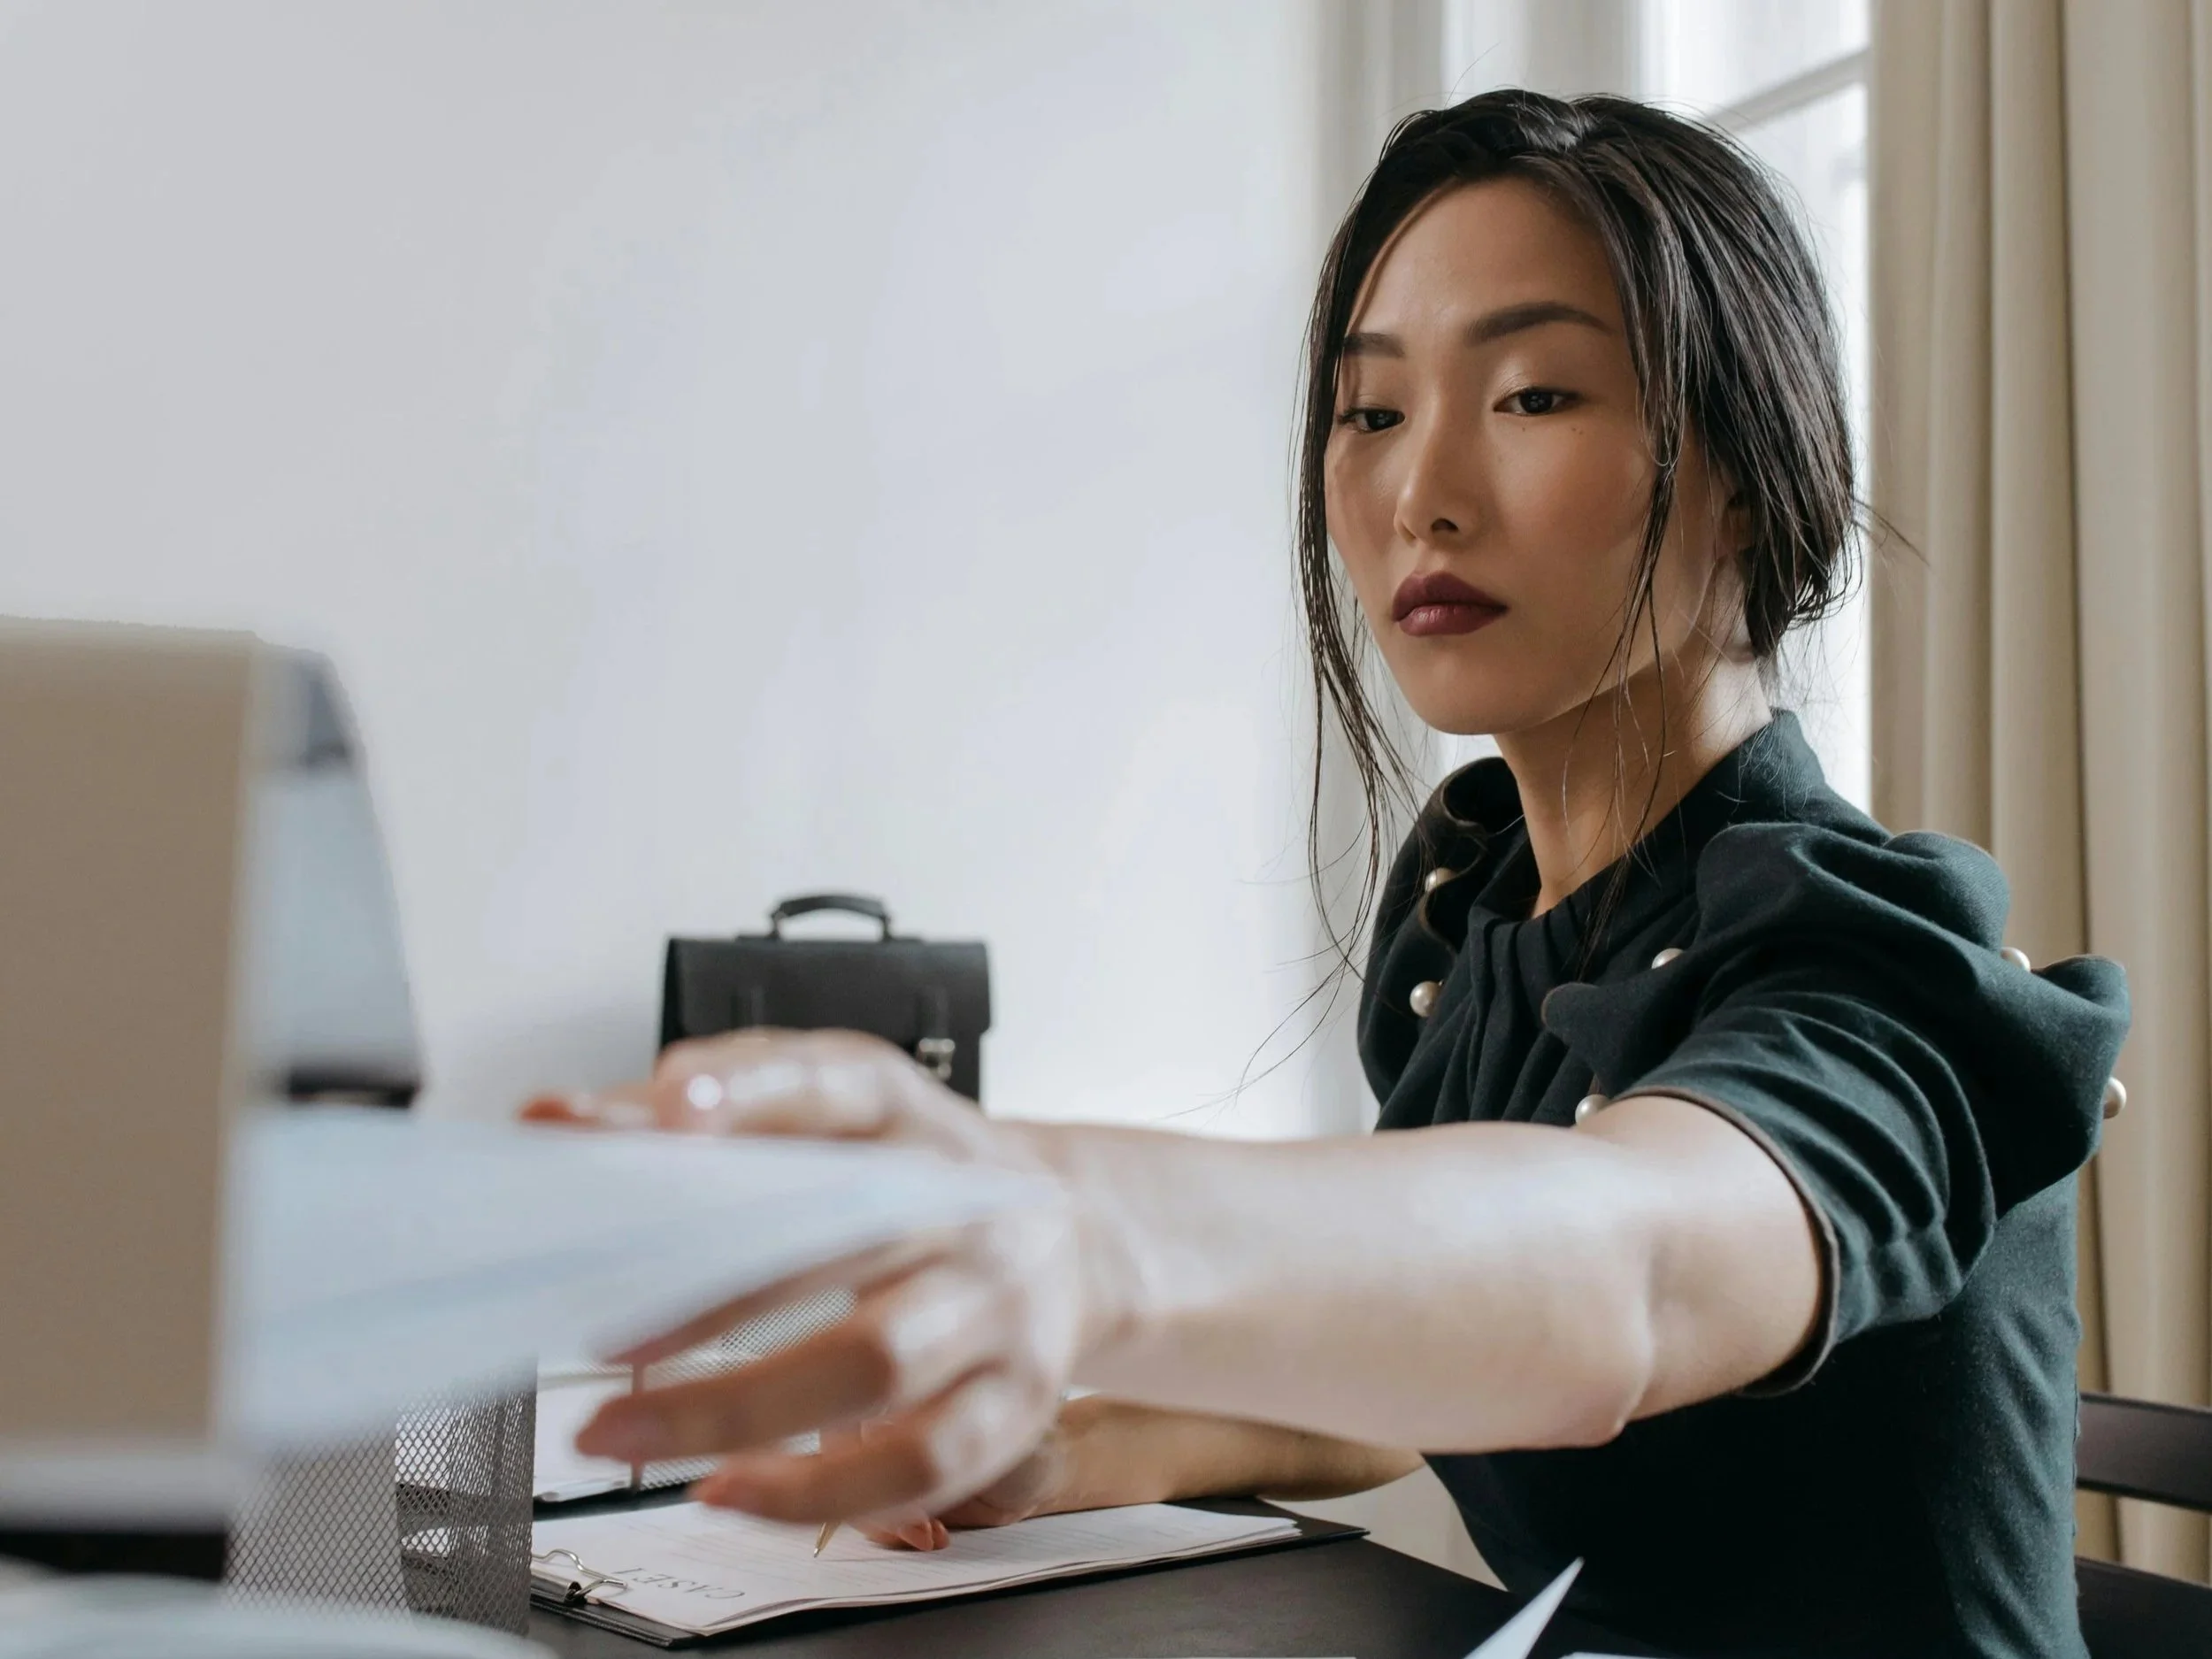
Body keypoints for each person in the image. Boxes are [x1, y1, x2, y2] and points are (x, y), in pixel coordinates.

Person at [526, 91, 2130, 1658]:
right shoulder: (1487, 916)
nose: (1420, 489)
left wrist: (1080, 1232)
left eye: (1534, 397)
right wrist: (1071, 1448)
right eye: (1370, 411)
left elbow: (1617, 1279)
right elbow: (1434, 1349)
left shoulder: (1874, 963)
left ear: (1749, 470)